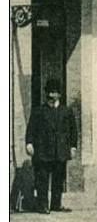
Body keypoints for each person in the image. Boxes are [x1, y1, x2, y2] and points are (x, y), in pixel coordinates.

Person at [25, 81, 78, 213]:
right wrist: (29, 143)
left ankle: (56, 204)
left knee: (58, 179)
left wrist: (73, 147)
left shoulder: (66, 111)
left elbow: (73, 130)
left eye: (54, 92)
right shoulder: (39, 111)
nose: (52, 95)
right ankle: (43, 205)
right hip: (43, 151)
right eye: (49, 92)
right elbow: (31, 129)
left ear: (59, 94)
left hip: (60, 151)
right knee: (42, 179)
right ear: (46, 94)